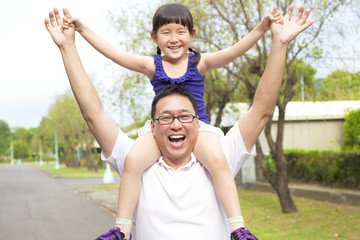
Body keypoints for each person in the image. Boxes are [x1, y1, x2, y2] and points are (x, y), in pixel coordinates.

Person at [44, 4, 313, 240]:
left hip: (203, 129)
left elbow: (236, 56)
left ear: (192, 35)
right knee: (133, 163)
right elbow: (114, 57)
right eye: (166, 32)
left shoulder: (201, 63)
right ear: (154, 37)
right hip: (162, 130)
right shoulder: (152, 65)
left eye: (181, 31)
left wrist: (266, 31)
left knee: (219, 162)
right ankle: (121, 229)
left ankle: (238, 228)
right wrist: (79, 32)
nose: (174, 39)